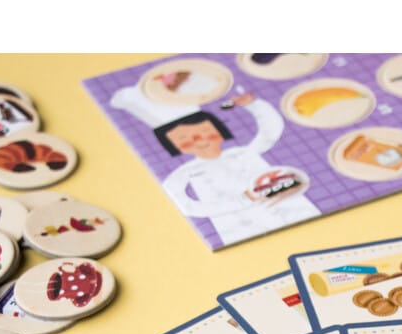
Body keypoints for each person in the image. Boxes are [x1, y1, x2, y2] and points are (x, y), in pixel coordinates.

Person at [111, 86, 319, 247]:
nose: (199, 140)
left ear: (219, 130)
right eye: (184, 138)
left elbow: (270, 132)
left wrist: (254, 105)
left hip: (294, 211)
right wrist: (240, 200)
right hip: (241, 230)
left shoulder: (242, 153)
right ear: (173, 146)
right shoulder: (185, 173)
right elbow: (185, 204)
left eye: (205, 131)